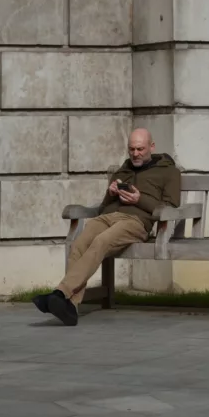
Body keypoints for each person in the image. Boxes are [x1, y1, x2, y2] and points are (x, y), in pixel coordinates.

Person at [33, 128, 181, 326]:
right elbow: (103, 207)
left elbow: (170, 208)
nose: (135, 154)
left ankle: (60, 293)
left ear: (151, 147)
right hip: (108, 217)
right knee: (79, 243)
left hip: (136, 222)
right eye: (131, 149)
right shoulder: (123, 170)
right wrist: (111, 193)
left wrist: (139, 199)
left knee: (100, 242)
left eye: (140, 149)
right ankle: (70, 308)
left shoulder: (169, 172)